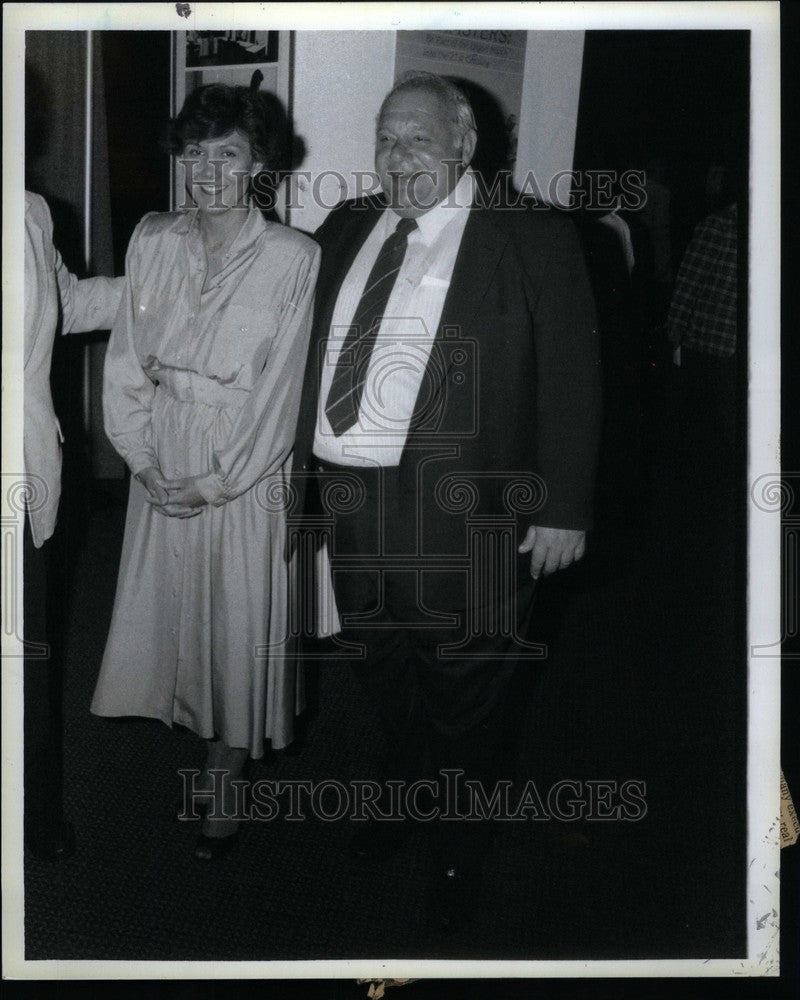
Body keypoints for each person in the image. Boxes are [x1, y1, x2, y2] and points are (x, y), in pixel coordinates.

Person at [292, 72, 601, 928]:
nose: (396, 157)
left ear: (465, 144)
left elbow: (574, 376)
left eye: (417, 139)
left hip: (473, 513)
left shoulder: (529, 234)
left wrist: (565, 506)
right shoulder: (349, 223)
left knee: (468, 684)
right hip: (352, 495)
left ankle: (461, 842)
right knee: (379, 657)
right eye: (386, 139)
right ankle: (403, 781)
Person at [91, 84, 320, 860]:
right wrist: (143, 461)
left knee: (237, 617)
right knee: (175, 613)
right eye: (196, 152)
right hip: (163, 448)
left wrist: (217, 480)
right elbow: (125, 363)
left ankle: (225, 774)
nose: (209, 169)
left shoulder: (295, 257)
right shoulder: (152, 237)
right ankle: (193, 729)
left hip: (246, 467)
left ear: (261, 163)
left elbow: (283, 392)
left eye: (228, 152)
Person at [24, 190, 123, 858]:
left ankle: (32, 816)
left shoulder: (29, 211)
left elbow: (67, 305)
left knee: (24, 668)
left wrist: (170, 273)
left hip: (17, 481)